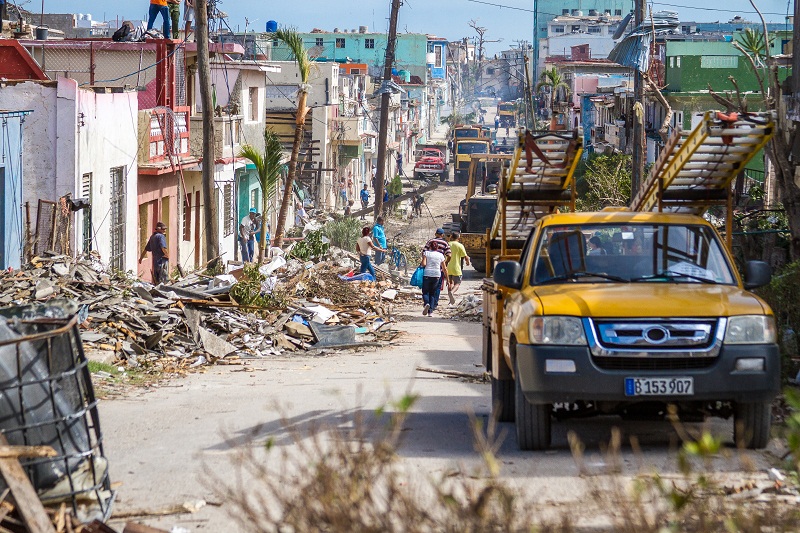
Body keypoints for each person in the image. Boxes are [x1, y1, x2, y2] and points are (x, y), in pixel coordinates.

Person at [421, 247, 448, 316]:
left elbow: (424, 264)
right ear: (437, 248)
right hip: (437, 275)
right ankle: (430, 312)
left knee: (425, 292)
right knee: (432, 293)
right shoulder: (441, 255)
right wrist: (447, 279)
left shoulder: (426, 253)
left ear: (430, 247)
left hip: (427, 274)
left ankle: (427, 303)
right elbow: (444, 268)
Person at [447, 232, 470, 304]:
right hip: (456, 267)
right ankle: (452, 293)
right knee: (457, 283)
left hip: (447, 267)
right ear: (458, 238)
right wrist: (467, 262)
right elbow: (465, 256)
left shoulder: (447, 244)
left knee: (450, 282)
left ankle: (450, 300)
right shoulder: (460, 245)